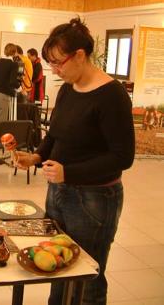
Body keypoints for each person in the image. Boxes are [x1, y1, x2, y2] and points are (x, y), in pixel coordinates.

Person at [16, 17, 135, 305]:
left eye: (58, 62)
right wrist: (36, 156)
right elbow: (55, 134)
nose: (55, 70)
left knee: (87, 276)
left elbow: (123, 157)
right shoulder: (69, 87)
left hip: (94, 198)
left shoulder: (112, 95)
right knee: (56, 265)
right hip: (59, 191)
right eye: (51, 64)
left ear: (80, 55)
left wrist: (69, 172)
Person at [0, 43, 20, 127]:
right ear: (15, 52)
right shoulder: (13, 64)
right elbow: (13, 82)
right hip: (1, 97)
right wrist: (20, 87)